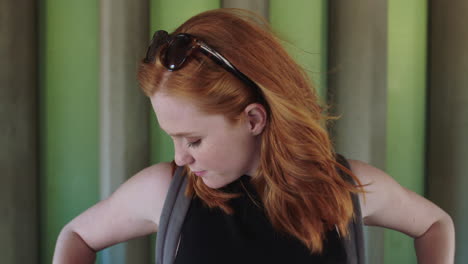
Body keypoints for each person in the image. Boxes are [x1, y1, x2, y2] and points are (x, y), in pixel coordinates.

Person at [52, 8, 455, 264]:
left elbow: (435, 224)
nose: (179, 159)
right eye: (173, 139)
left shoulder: (345, 188)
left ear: (254, 119)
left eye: (192, 140)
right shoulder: (164, 191)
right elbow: (76, 236)